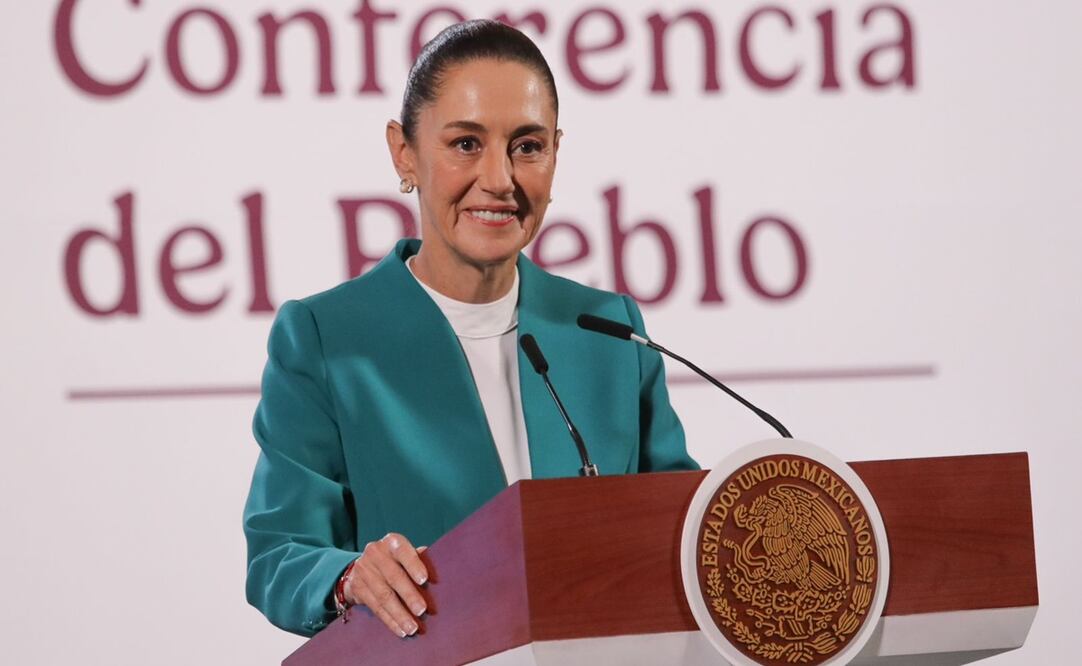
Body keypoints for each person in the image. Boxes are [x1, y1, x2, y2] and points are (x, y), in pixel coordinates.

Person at [243, 19, 699, 640]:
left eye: (527, 146)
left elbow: (685, 525)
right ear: (404, 152)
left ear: (556, 154)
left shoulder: (609, 332)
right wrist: (351, 576)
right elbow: (280, 554)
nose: (500, 180)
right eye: (465, 144)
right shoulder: (327, 338)